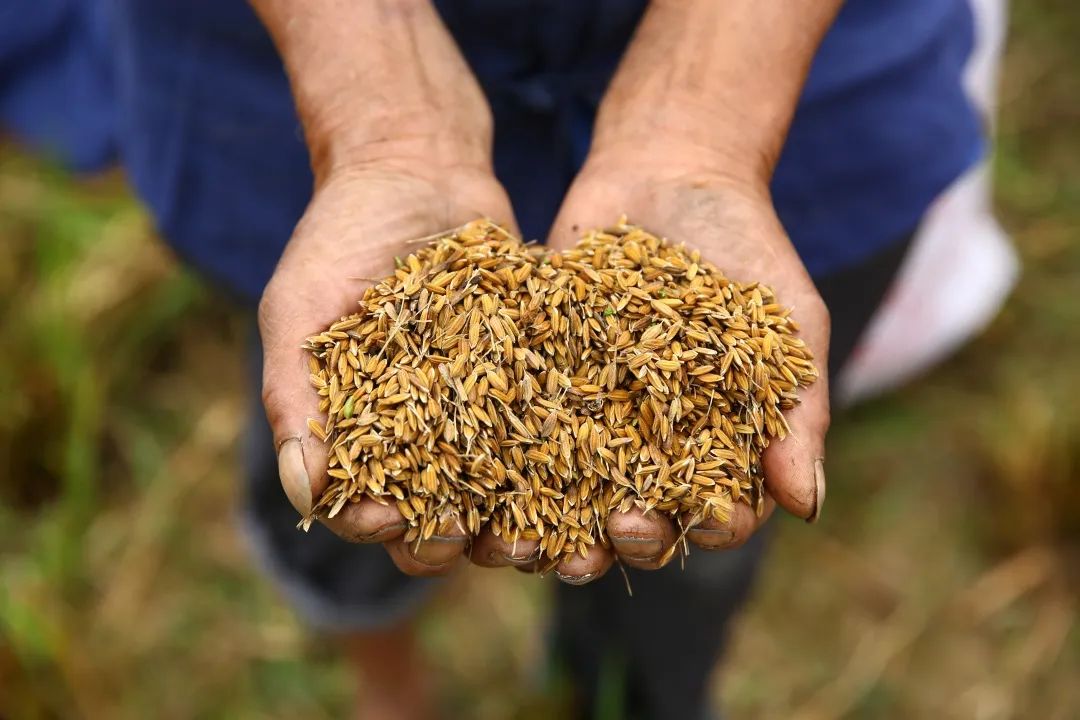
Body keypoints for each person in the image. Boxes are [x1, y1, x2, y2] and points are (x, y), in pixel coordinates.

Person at [1, 1, 989, 717]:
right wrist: (375, 96)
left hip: (791, 65)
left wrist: (711, 107)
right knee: (332, 476)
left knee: (695, 536)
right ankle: (388, 681)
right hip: (281, 69)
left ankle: (630, 689)